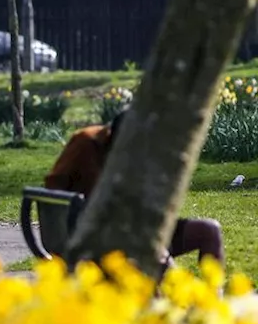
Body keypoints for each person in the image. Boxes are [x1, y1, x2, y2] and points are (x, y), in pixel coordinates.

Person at [45, 109, 225, 266]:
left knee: (209, 230)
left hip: (143, 229)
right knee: (160, 262)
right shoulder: (85, 143)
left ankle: (214, 298)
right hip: (96, 239)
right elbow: (53, 192)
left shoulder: (145, 150)